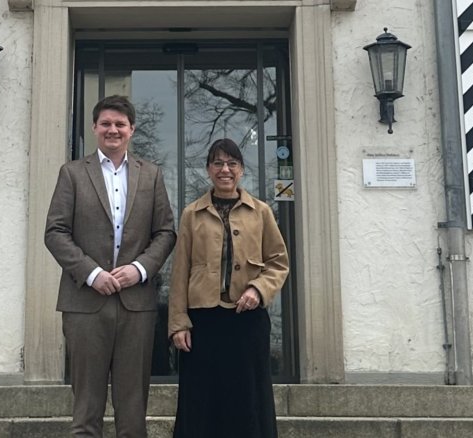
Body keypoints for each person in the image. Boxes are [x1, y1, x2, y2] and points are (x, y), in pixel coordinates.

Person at [45, 95, 177, 438]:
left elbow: (165, 232)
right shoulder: (72, 173)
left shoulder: (151, 175)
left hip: (137, 305)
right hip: (84, 304)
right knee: (85, 409)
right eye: (106, 123)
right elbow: (55, 232)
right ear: (94, 128)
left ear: (132, 130)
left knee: (133, 410)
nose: (113, 130)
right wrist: (91, 274)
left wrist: (140, 269)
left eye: (120, 124)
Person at [168, 138, 290, 438]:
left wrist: (258, 290)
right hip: (203, 323)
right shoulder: (191, 214)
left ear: (241, 170)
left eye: (232, 163)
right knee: (201, 402)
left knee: (247, 401)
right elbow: (179, 271)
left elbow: (278, 262)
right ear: (209, 169)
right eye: (218, 163)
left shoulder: (260, 212)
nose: (225, 169)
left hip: (246, 321)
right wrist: (178, 323)